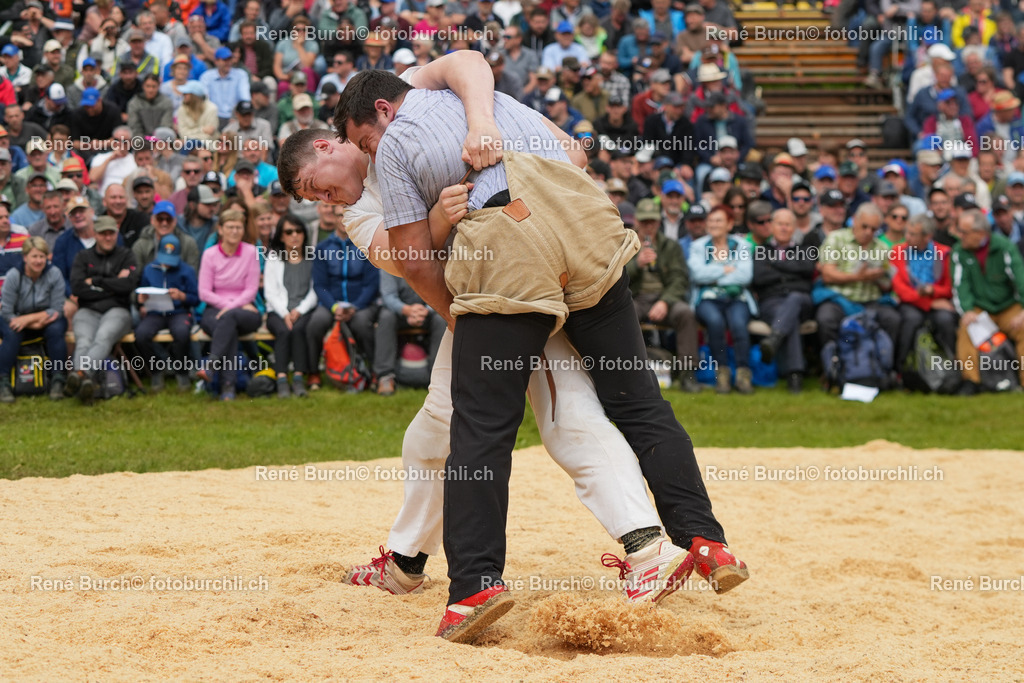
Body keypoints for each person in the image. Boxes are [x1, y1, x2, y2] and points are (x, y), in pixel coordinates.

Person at [306, 62, 746, 640]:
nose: (328, 200)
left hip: (506, 270)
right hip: (587, 229)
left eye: (321, 184)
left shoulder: (399, 135)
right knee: (629, 401)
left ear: (343, 135)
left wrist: (462, 303)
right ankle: (704, 540)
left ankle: (493, 583)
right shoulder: (478, 102)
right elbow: (572, 152)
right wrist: (478, 137)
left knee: (497, 424)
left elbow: (413, 261)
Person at [626, 198, 701, 392]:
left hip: (664, 296)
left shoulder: (670, 246)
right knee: (624, 316)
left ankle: (687, 375)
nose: (648, 226)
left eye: (652, 221)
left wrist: (665, 302)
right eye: (644, 222)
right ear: (637, 221)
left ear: (659, 222)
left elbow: (680, 279)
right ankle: (628, 373)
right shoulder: (625, 244)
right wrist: (636, 264)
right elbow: (614, 277)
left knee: (685, 313)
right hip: (636, 297)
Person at [67, 215, 140, 404]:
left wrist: (97, 283)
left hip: (118, 310)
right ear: (95, 234)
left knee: (103, 337)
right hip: (87, 310)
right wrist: (113, 285)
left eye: (111, 233)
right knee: (83, 341)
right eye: (103, 233)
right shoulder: (83, 257)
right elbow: (77, 288)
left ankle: (81, 374)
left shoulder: (126, 255)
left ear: (116, 234)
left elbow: (128, 285)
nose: (108, 237)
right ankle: (85, 384)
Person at [950, 209, 1024, 394]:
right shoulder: (959, 252)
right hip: (980, 309)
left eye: (964, 232)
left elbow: (1020, 279)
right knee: (966, 329)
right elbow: (960, 286)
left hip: (1008, 307)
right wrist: (966, 311)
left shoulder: (1004, 247)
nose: (960, 236)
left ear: (980, 233)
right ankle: (971, 381)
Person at [814, 203, 901, 358]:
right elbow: (828, 275)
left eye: (873, 229)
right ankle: (832, 365)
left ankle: (883, 367)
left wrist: (880, 278)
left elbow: (887, 285)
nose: (868, 232)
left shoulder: (881, 247)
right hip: (839, 299)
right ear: (854, 221)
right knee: (826, 318)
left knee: (892, 319)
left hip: (870, 300)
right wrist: (858, 277)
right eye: (865, 226)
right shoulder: (836, 238)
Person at [688, 205, 756, 394]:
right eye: (711, 220)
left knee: (738, 323)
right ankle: (723, 376)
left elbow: (745, 276)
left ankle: (743, 376)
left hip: (737, 297)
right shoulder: (698, 246)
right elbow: (698, 274)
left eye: (718, 220)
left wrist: (713, 276)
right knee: (715, 322)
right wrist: (726, 269)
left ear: (729, 224)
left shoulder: (742, 245)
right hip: (708, 298)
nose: (713, 224)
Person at [197, 209, 260, 401]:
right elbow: (204, 292)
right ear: (221, 230)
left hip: (245, 310)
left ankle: (211, 366)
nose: (234, 231)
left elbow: (251, 289)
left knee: (229, 318)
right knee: (228, 327)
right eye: (230, 227)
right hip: (216, 310)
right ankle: (227, 387)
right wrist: (228, 305)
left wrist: (233, 306)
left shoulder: (251, 253)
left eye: (238, 227)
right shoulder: (209, 255)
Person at [752, 209, 816, 393]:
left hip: (801, 300)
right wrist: (791, 270)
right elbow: (760, 278)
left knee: (795, 298)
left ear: (794, 228)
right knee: (790, 319)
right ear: (771, 226)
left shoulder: (804, 250)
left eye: (787, 224)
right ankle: (795, 375)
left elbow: (806, 273)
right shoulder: (761, 251)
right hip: (771, 303)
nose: (783, 228)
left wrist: (775, 265)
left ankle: (774, 339)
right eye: (780, 223)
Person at [0, 236, 68, 403]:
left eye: (42, 256)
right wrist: (24, 321)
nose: (38, 261)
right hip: (15, 317)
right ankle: (3, 381)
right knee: (12, 332)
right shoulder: (14, 275)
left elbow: (57, 309)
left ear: (47, 257)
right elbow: (7, 311)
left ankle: (58, 379)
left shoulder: (54, 273)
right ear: (25, 257)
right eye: (34, 256)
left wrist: (30, 319)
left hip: (44, 319)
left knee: (56, 329)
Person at [890, 213, 958, 371]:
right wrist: (930, 301)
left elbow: (949, 288)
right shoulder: (897, 252)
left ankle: (954, 368)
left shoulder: (944, 253)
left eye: (913, 234)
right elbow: (900, 290)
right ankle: (901, 370)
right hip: (912, 303)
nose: (907, 237)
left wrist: (932, 290)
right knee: (911, 319)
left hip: (937, 302)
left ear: (927, 236)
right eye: (907, 232)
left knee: (945, 319)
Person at [135, 233, 199, 393]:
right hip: (155, 312)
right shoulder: (150, 269)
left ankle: (182, 371)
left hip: (178, 311)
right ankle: (157, 370)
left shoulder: (187, 271)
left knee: (182, 332)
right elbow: (142, 291)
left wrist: (182, 296)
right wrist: (141, 300)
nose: (167, 264)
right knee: (141, 334)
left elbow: (196, 298)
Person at [263, 213, 318, 398]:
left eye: (298, 231)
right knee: (284, 331)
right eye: (289, 231)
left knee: (299, 329)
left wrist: (299, 311)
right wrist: (285, 313)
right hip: (278, 311)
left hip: (303, 311)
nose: (294, 235)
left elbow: (315, 290)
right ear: (281, 236)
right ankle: (281, 379)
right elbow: (270, 292)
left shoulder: (312, 257)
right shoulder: (273, 258)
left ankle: (298, 378)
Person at [376, 270, 448, 394]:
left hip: (426, 311)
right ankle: (385, 376)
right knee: (385, 317)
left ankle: (439, 378)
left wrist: (426, 310)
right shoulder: (388, 262)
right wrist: (407, 310)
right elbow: (388, 296)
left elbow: (439, 292)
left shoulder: (433, 260)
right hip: (400, 312)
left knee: (441, 319)